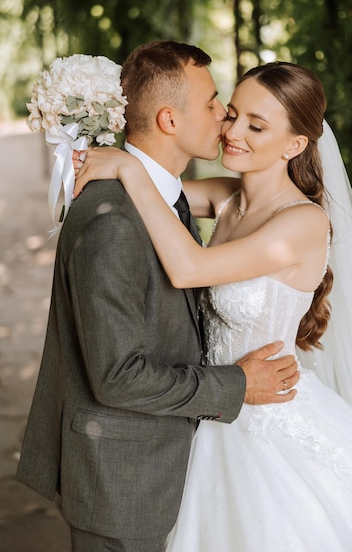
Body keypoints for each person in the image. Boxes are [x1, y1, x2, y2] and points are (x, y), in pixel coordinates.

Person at [75, 61, 352, 551]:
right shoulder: (227, 199)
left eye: (257, 126)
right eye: (231, 114)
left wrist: (125, 166)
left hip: (266, 418)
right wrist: (102, 154)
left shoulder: (302, 223)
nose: (232, 132)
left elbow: (187, 268)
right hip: (211, 405)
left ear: (295, 144)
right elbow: (151, 195)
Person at [16, 41, 302, 552]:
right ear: (170, 120)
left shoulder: (164, 194)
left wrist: (125, 164)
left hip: (175, 461)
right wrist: (238, 384)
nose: (225, 119)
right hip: (124, 479)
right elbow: (118, 378)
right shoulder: (115, 223)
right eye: (215, 103)